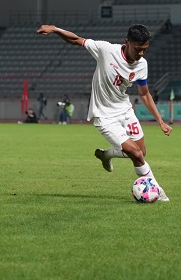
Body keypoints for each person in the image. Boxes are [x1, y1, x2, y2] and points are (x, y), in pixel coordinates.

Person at [37, 24, 172, 201]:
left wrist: (160, 121)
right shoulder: (106, 50)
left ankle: (106, 154)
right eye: (138, 49)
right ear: (127, 42)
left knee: (141, 152)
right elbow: (76, 40)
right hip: (104, 116)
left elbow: (144, 94)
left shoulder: (142, 65)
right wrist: (55, 30)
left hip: (124, 110)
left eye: (144, 50)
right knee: (136, 155)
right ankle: (157, 190)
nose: (141, 54)